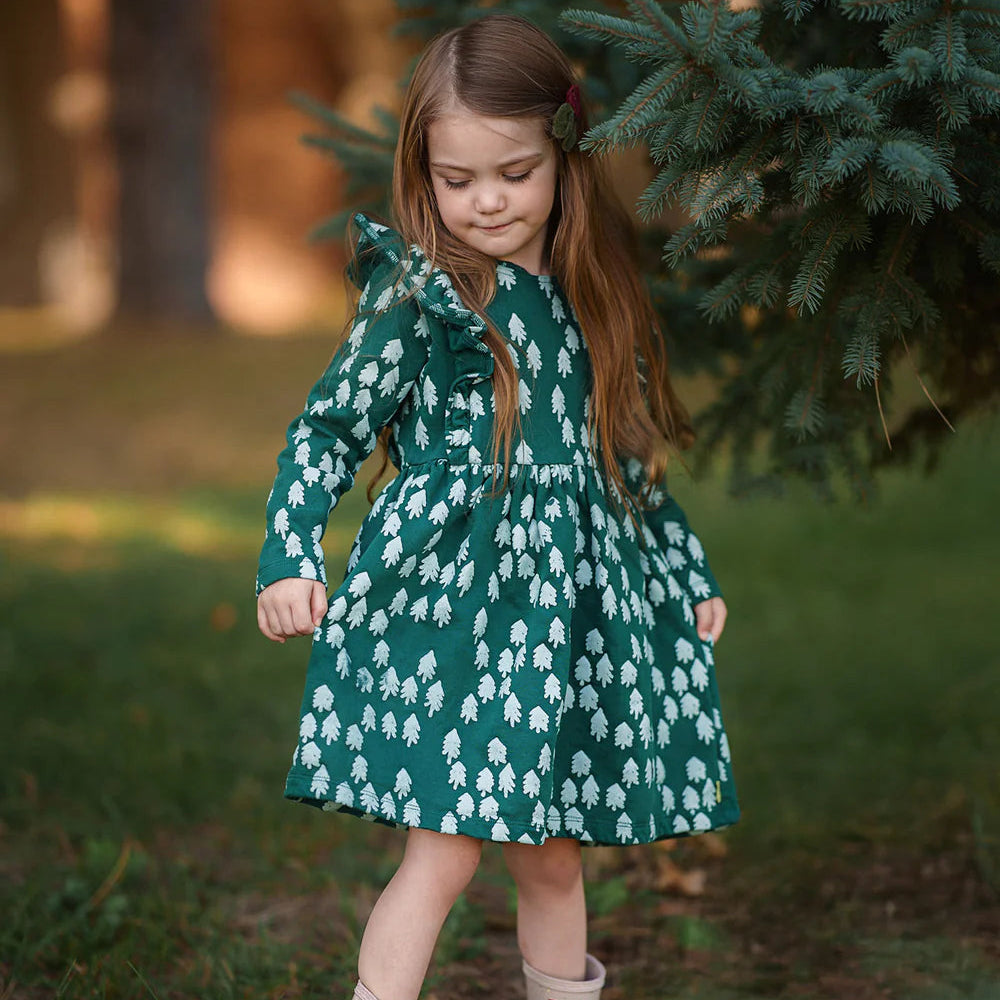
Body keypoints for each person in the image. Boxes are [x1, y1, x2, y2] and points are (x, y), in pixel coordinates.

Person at [256, 13, 739, 1000]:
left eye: (513, 174)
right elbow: (329, 427)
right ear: (422, 172)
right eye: (456, 178)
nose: (484, 202)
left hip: (565, 628)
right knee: (444, 852)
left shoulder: (587, 294)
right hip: (458, 614)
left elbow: (625, 459)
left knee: (553, 855)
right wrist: (289, 549)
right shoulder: (424, 293)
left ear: (562, 160)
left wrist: (684, 573)